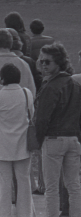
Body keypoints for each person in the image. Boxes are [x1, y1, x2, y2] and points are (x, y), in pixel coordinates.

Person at [0, 28, 36, 216]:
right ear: (11, 43)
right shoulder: (22, 64)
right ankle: (24, 211)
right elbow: (32, 94)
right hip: (22, 129)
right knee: (23, 178)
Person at [35, 43, 81, 217]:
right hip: (73, 139)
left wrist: (38, 141)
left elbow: (42, 118)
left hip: (53, 139)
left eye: (47, 62)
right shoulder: (75, 84)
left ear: (59, 63)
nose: (43, 65)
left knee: (52, 188)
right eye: (41, 61)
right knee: (74, 186)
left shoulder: (51, 86)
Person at [0, 63, 35, 217]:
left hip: (2, 145)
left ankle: (3, 213)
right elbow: (31, 115)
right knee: (24, 180)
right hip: (23, 143)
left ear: (3, 78)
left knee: (3, 183)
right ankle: (25, 213)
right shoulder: (26, 94)